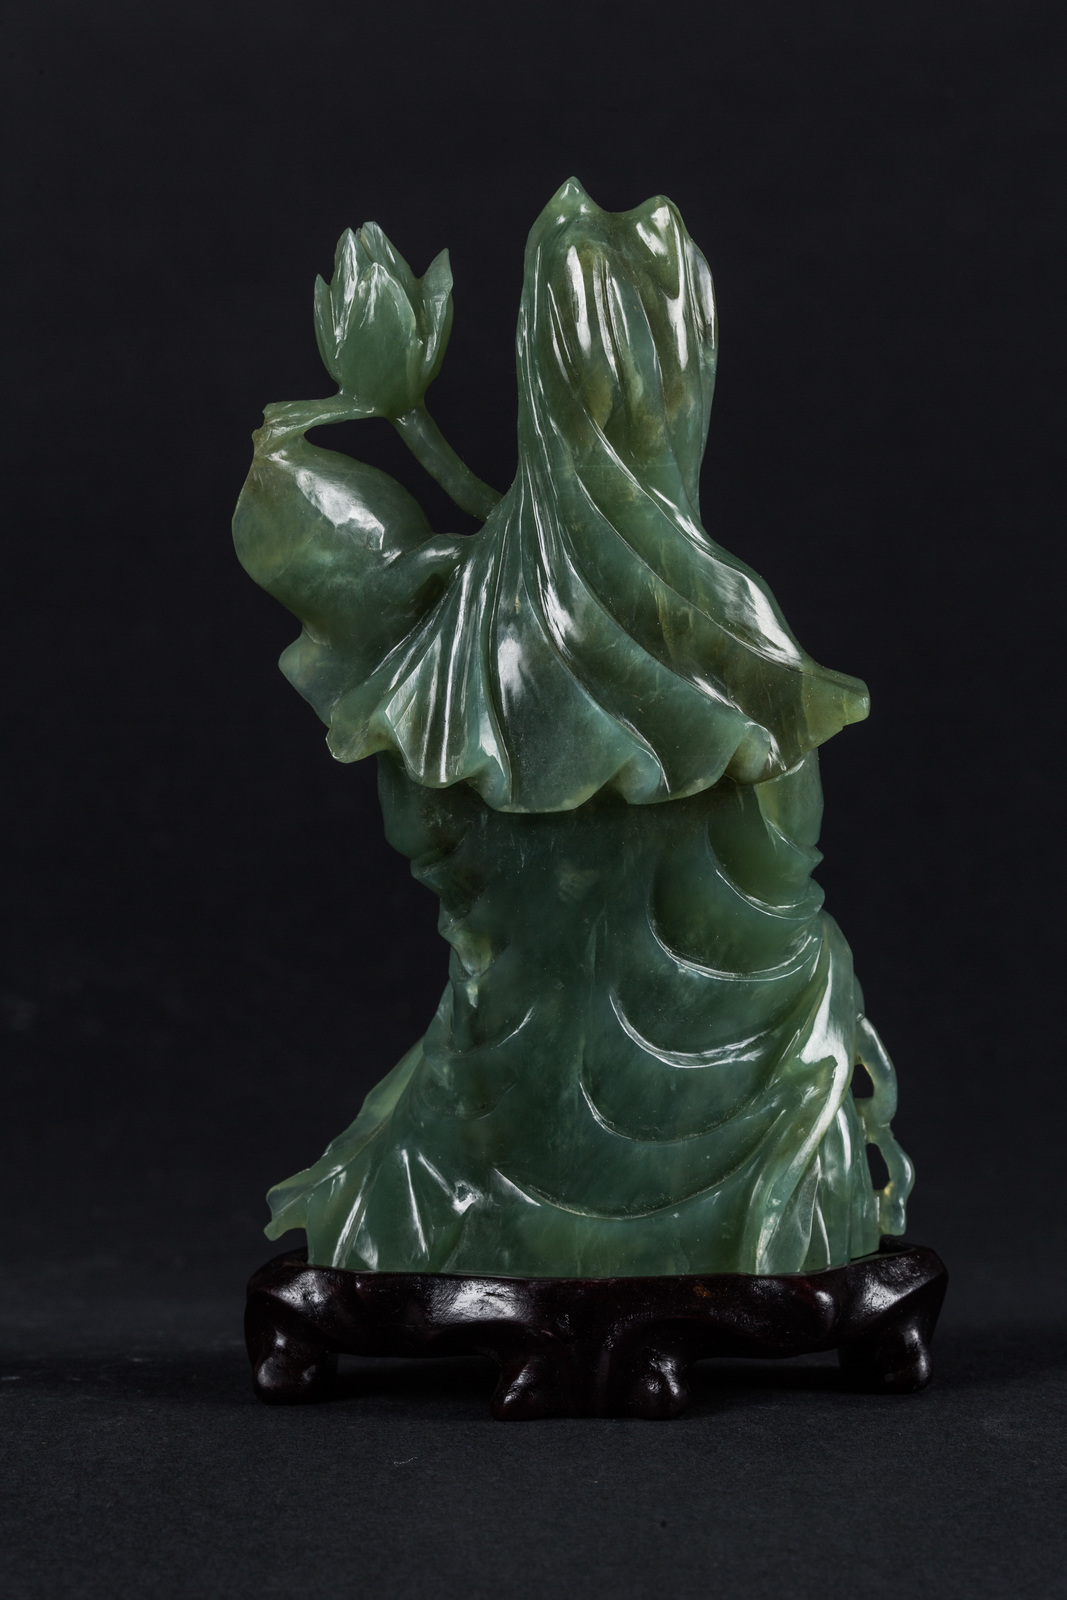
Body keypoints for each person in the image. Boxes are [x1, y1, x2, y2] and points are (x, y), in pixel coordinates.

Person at [233, 178, 912, 1278]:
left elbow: (434, 826)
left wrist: (338, 424)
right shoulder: (706, 615)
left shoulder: (483, 609)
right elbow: (787, 845)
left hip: (611, 1076)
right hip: (556, 1070)